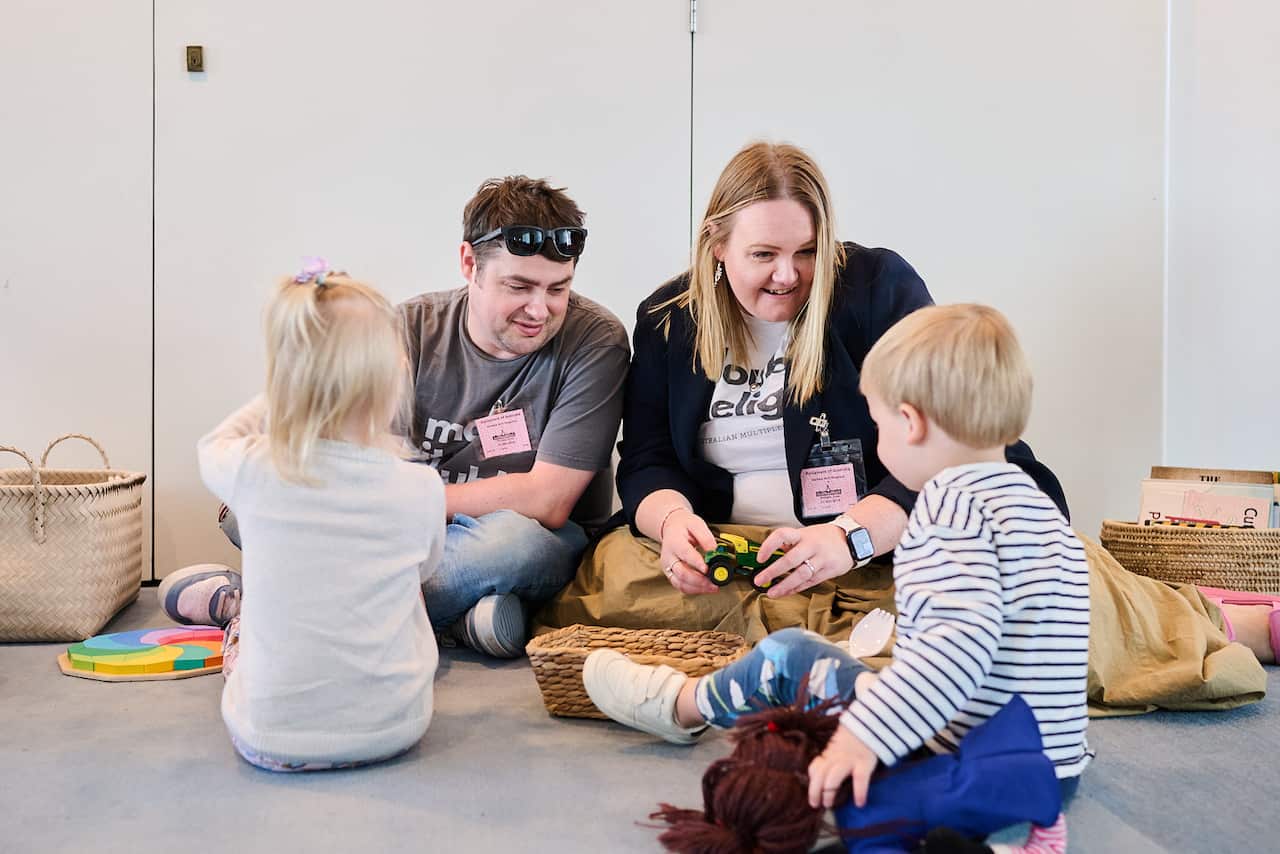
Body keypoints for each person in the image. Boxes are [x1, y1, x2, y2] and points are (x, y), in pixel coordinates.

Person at [585, 303, 1089, 845]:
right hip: (1055, 764)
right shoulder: (1033, 503)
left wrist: (865, 738)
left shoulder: (948, 509)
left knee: (792, 657)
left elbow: (957, 651)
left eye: (877, 424)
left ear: (911, 423)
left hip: (970, 763)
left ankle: (681, 707)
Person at [535, 142, 1067, 645]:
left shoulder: (876, 286)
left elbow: (952, 451)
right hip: (734, 550)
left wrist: (849, 539)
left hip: (872, 543)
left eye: (808, 252)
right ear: (717, 246)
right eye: (763, 254)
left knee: (996, 594)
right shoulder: (668, 319)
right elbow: (648, 460)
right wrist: (674, 527)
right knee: (612, 573)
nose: (787, 275)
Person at [165, 177, 631, 659]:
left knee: (511, 546)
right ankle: (453, 621)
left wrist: (397, 505)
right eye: (519, 286)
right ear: (469, 263)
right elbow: (344, 462)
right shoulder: (406, 328)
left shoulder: (594, 341)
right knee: (251, 505)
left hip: (520, 535)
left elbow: (548, 499)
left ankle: (268, 606)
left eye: (559, 288)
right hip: (398, 528)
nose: (541, 309)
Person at [187, 266, 446, 771]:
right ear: (391, 380)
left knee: (249, 634)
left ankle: (233, 609)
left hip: (269, 739)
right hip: (395, 729)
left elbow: (210, 446)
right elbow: (427, 571)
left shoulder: (254, 466)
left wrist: (283, 390)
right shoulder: (420, 487)